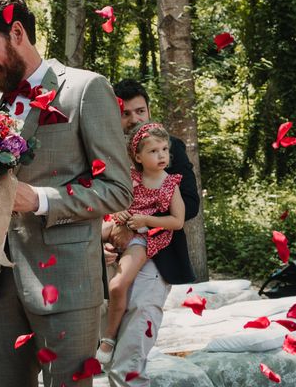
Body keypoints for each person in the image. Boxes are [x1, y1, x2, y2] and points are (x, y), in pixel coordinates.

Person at [0, 0, 133, 387]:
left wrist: (42, 200)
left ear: (15, 33)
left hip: (67, 284)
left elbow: (118, 189)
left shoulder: (85, 89)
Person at [105, 79, 199, 386]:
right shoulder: (102, 149)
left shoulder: (168, 149)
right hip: (105, 258)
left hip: (156, 255)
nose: (134, 119)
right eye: (126, 113)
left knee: (131, 353)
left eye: (140, 110)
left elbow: (190, 206)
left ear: (149, 109)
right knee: (104, 354)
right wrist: (104, 236)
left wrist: (137, 223)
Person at [96, 122, 184, 364]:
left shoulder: (169, 183)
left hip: (144, 236)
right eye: (153, 151)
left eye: (164, 149)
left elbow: (177, 221)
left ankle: (109, 337)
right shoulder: (131, 177)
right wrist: (121, 213)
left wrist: (146, 219)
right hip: (121, 226)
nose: (162, 155)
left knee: (117, 285)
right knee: (86, 234)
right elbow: (117, 203)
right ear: (138, 156)